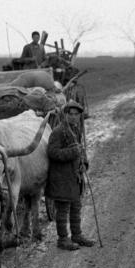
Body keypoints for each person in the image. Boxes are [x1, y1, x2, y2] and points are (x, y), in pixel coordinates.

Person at [46, 100, 95, 250]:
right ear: (65, 115)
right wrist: (72, 153)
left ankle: (77, 235)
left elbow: (81, 149)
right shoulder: (58, 131)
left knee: (76, 207)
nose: (73, 117)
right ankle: (62, 240)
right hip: (61, 178)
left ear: (80, 116)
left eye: (76, 114)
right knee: (63, 209)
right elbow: (52, 152)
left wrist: (84, 163)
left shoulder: (76, 129)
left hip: (74, 177)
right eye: (70, 114)